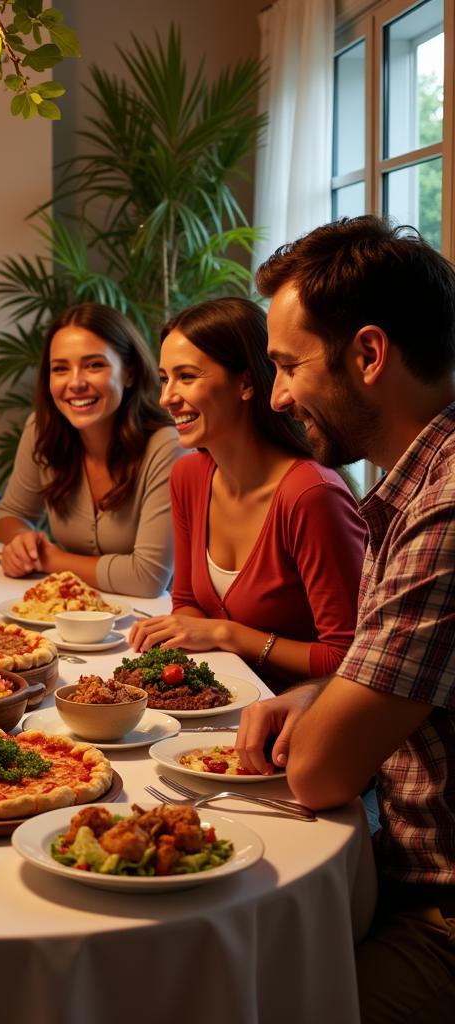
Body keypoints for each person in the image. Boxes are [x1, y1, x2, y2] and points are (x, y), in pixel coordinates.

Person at [234, 216, 455, 1022]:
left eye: (289, 365)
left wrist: (319, 711)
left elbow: (319, 771)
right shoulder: (417, 484)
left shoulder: (446, 511)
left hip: (435, 918)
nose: (280, 394)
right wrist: (314, 696)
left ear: (368, 355)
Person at [128, 297, 365, 691]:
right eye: (164, 378)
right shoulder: (188, 475)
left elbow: (348, 657)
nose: (167, 397)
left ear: (247, 383)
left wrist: (228, 634)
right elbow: (187, 602)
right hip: (223, 697)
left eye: (186, 377)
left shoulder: (312, 495)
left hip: (298, 719)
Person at [0, 302, 181, 597]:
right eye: (60, 369)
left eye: (94, 365)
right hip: (71, 610)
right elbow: (9, 515)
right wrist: (22, 540)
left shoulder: (168, 445)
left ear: (129, 373)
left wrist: (50, 558)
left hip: (152, 622)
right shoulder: (41, 429)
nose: (76, 382)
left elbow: (147, 578)